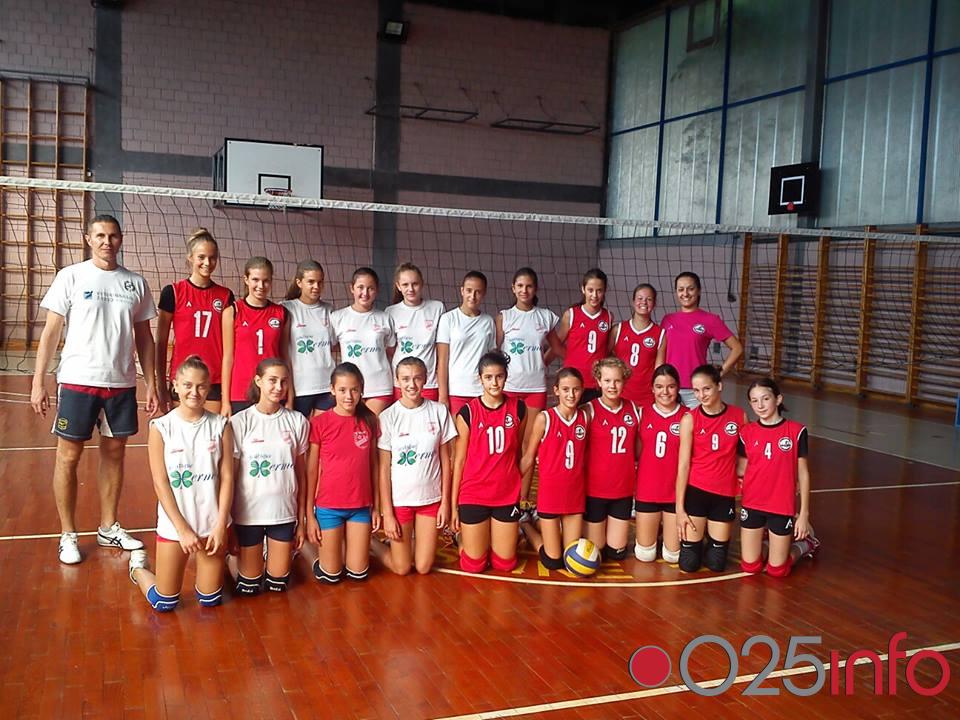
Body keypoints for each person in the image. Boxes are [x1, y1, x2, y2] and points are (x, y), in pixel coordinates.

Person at [30, 214, 158, 565]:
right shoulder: (70, 276)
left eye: (113, 236)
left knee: (114, 455)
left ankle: (108, 526)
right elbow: (51, 332)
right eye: (100, 235)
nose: (107, 242)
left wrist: (152, 383)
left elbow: (145, 339)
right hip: (77, 381)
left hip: (120, 384)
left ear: (121, 239)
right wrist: (38, 380)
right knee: (67, 457)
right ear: (88, 239)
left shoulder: (135, 283)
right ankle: (68, 534)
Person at [128, 357, 234, 611]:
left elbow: (228, 477)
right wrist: (182, 530)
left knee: (210, 600)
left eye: (201, 386)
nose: (194, 392)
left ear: (208, 388)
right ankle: (138, 568)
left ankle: (221, 567)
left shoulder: (221, 426)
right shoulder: (161, 427)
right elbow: (160, 482)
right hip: (176, 525)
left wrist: (221, 525)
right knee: (164, 602)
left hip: (211, 524)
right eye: (187, 385)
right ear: (175, 385)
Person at [228, 359, 309, 595]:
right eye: (272, 380)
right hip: (248, 514)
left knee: (277, 586)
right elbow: (230, 476)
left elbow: (301, 475)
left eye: (284, 381)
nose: (278, 387)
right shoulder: (239, 422)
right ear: (258, 381)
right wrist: (229, 523)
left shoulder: (297, 421)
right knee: (248, 587)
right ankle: (230, 560)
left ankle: (271, 553)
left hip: (283, 512)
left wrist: (302, 521)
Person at [372, 357, 457, 575]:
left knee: (423, 567)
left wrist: (445, 503)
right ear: (397, 381)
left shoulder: (439, 411)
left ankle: (410, 544)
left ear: (426, 379)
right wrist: (387, 513)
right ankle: (371, 543)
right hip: (400, 501)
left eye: (417, 378)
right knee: (401, 568)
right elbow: (383, 469)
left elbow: (446, 461)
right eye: (406, 379)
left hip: (430, 500)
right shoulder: (388, 416)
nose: (412, 384)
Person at [304, 363, 381, 584]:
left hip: (360, 506)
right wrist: (310, 515)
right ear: (332, 390)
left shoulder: (369, 421)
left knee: (358, 574)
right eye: (342, 390)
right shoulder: (320, 423)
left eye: (354, 390)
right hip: (329, 506)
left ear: (361, 390)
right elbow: (311, 471)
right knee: (331, 576)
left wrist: (376, 507)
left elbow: (374, 466)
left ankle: (351, 543)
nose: (349, 396)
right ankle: (307, 551)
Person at [451, 351, 526, 573]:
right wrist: (454, 506)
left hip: (506, 493)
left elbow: (517, 451)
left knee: (505, 564)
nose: (494, 383)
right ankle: (460, 537)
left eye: (499, 376)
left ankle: (506, 533)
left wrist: (519, 490)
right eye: (488, 377)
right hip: (474, 493)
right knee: (474, 565)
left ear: (506, 376)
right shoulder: (468, 413)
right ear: (480, 379)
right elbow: (459, 461)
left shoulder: (519, 409)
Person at [737, 378, 820, 577]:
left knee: (777, 571)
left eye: (765, 398)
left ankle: (806, 544)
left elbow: (803, 473)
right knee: (751, 567)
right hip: (752, 503)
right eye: (755, 401)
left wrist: (804, 514)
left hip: (781, 505)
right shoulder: (746, 432)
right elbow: (741, 469)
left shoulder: (796, 431)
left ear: (778, 399)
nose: (760, 405)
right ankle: (767, 542)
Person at [675, 364, 747, 573]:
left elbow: (747, 456)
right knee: (689, 564)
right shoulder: (690, 419)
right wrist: (680, 509)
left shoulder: (739, 416)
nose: (701, 395)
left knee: (716, 564)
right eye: (696, 390)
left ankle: (711, 539)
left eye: (706, 388)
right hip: (696, 491)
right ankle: (698, 540)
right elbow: (683, 465)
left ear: (719, 386)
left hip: (724, 493)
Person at [155, 228, 234, 414]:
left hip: (214, 380)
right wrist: (161, 387)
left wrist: (227, 394)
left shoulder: (225, 296)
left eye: (212, 258)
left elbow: (228, 346)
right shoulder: (173, 292)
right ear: (190, 257)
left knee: (212, 431)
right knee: (182, 431)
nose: (207, 263)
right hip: (183, 378)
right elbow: (161, 343)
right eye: (201, 257)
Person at [519, 367, 588, 571]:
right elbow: (529, 457)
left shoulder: (586, 417)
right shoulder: (545, 418)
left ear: (582, 390)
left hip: (575, 495)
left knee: (570, 557)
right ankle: (526, 525)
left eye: (576, 389)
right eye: (565, 389)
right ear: (556, 390)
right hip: (550, 495)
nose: (571, 395)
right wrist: (510, 485)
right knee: (553, 561)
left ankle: (538, 521)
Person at [582, 357, 640, 560]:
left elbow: (639, 450)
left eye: (617, 381)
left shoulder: (633, 409)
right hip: (595, 490)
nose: (612, 386)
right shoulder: (588, 410)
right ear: (598, 381)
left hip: (622, 490)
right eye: (607, 381)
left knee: (616, 554)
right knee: (595, 552)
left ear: (624, 381)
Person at [660, 272, 743, 408]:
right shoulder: (668, 320)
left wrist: (720, 372)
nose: (685, 293)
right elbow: (660, 353)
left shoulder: (710, 320)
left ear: (698, 291)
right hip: (670, 388)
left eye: (690, 289)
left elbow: (737, 348)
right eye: (681, 289)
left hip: (697, 391)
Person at [221, 257, 289, 417]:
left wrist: (290, 396)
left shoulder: (281, 313)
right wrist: (225, 401)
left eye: (266, 281)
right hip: (240, 391)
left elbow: (285, 357)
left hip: (273, 390)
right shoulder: (232, 312)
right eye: (255, 280)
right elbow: (228, 358)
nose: (261, 286)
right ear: (246, 279)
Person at [634, 364, 687, 564]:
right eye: (659, 386)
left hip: (675, 493)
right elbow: (637, 452)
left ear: (678, 387)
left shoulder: (688, 416)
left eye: (670, 386)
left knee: (673, 557)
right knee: (645, 555)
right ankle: (653, 532)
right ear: (652, 388)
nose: (665, 392)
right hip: (647, 490)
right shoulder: (642, 414)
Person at [497, 267, 562, 419]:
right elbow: (494, 350)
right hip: (510, 385)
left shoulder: (545, 316)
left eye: (529, 286)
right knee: (510, 432)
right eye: (520, 286)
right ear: (513, 288)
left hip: (536, 387)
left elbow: (557, 348)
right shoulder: (504, 317)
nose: (524, 290)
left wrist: (576, 364)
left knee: (532, 433)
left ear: (536, 289)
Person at [331, 267, 396, 416]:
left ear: (377, 290)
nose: (365, 293)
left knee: (369, 426)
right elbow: (331, 347)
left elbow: (391, 349)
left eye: (370, 288)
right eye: (360, 287)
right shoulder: (337, 317)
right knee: (352, 427)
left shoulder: (385, 318)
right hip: (350, 387)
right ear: (352, 288)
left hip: (379, 386)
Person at [281, 260, 336, 419]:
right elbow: (283, 351)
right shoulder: (286, 308)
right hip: (300, 386)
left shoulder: (329, 310)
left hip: (327, 385)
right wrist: (288, 389)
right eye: (311, 282)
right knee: (300, 431)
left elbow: (334, 345)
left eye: (320, 282)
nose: (316, 287)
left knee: (322, 432)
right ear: (299, 282)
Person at [436, 271, 496, 415]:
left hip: (482, 391)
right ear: (462, 290)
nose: (472, 296)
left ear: (484, 293)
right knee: (459, 430)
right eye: (469, 290)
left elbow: (491, 359)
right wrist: (443, 396)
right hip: (456, 390)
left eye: (478, 292)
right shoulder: (448, 319)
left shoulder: (488, 321)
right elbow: (442, 361)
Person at [386, 262, 445, 402]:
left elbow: (441, 348)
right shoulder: (391, 312)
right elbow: (390, 349)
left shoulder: (437, 308)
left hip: (428, 382)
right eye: (405, 285)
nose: (410, 289)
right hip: (401, 383)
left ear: (422, 284)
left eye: (415, 284)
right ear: (398, 286)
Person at [555, 268, 613, 404]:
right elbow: (556, 344)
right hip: (573, 382)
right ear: (583, 289)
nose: (594, 295)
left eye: (599, 290)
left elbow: (607, 349)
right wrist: (545, 362)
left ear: (605, 291)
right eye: (590, 290)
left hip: (596, 382)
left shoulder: (608, 316)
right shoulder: (572, 314)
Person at [610, 283, 664, 407]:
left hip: (647, 397)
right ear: (633, 301)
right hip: (620, 395)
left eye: (649, 299)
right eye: (640, 298)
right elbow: (606, 362)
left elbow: (659, 370)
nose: (644, 302)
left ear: (654, 304)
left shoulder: (660, 333)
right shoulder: (618, 329)